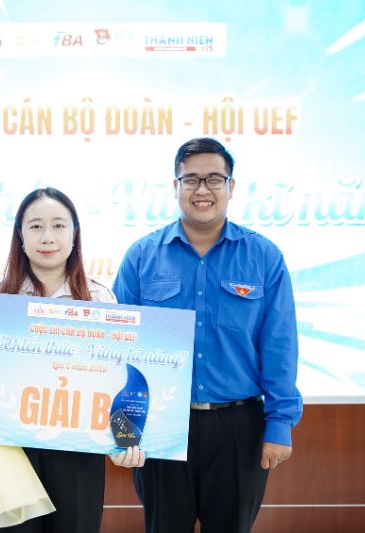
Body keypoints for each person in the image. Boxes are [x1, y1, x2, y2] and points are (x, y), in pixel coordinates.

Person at [112, 138, 303, 533]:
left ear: (232, 186)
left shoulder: (264, 257)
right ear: (175, 186)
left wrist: (280, 423)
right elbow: (119, 346)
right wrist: (123, 428)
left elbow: (279, 345)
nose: (203, 189)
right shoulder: (141, 257)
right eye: (191, 179)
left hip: (239, 427)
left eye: (215, 179)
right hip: (161, 424)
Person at [0, 187, 145, 533]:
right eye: (35, 226)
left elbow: (115, 382)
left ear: (74, 234)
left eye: (58, 226)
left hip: (78, 453)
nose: (47, 237)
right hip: (8, 452)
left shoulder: (99, 298)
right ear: (20, 236)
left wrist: (125, 440)